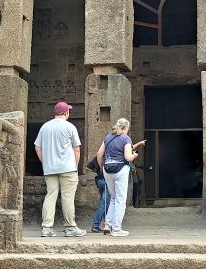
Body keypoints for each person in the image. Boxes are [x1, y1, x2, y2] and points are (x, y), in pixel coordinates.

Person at [34, 101, 85, 237]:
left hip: (50, 168)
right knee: (67, 198)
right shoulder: (70, 127)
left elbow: (37, 147)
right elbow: (77, 148)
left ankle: (46, 227)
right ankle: (70, 228)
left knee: (50, 196)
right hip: (68, 167)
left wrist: (45, 161)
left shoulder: (45, 127)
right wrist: (75, 166)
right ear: (66, 112)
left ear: (55, 113)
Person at [95, 118, 144, 237]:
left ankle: (108, 224)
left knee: (113, 198)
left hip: (107, 169)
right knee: (121, 200)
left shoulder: (108, 137)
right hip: (120, 169)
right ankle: (117, 229)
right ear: (126, 127)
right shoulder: (126, 138)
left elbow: (99, 154)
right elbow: (127, 157)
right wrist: (134, 156)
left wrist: (102, 167)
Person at [86, 153, 110, 233]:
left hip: (99, 181)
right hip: (107, 182)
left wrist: (97, 170)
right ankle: (96, 225)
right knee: (104, 204)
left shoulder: (98, 156)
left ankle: (106, 224)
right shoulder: (111, 156)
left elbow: (88, 167)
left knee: (104, 203)